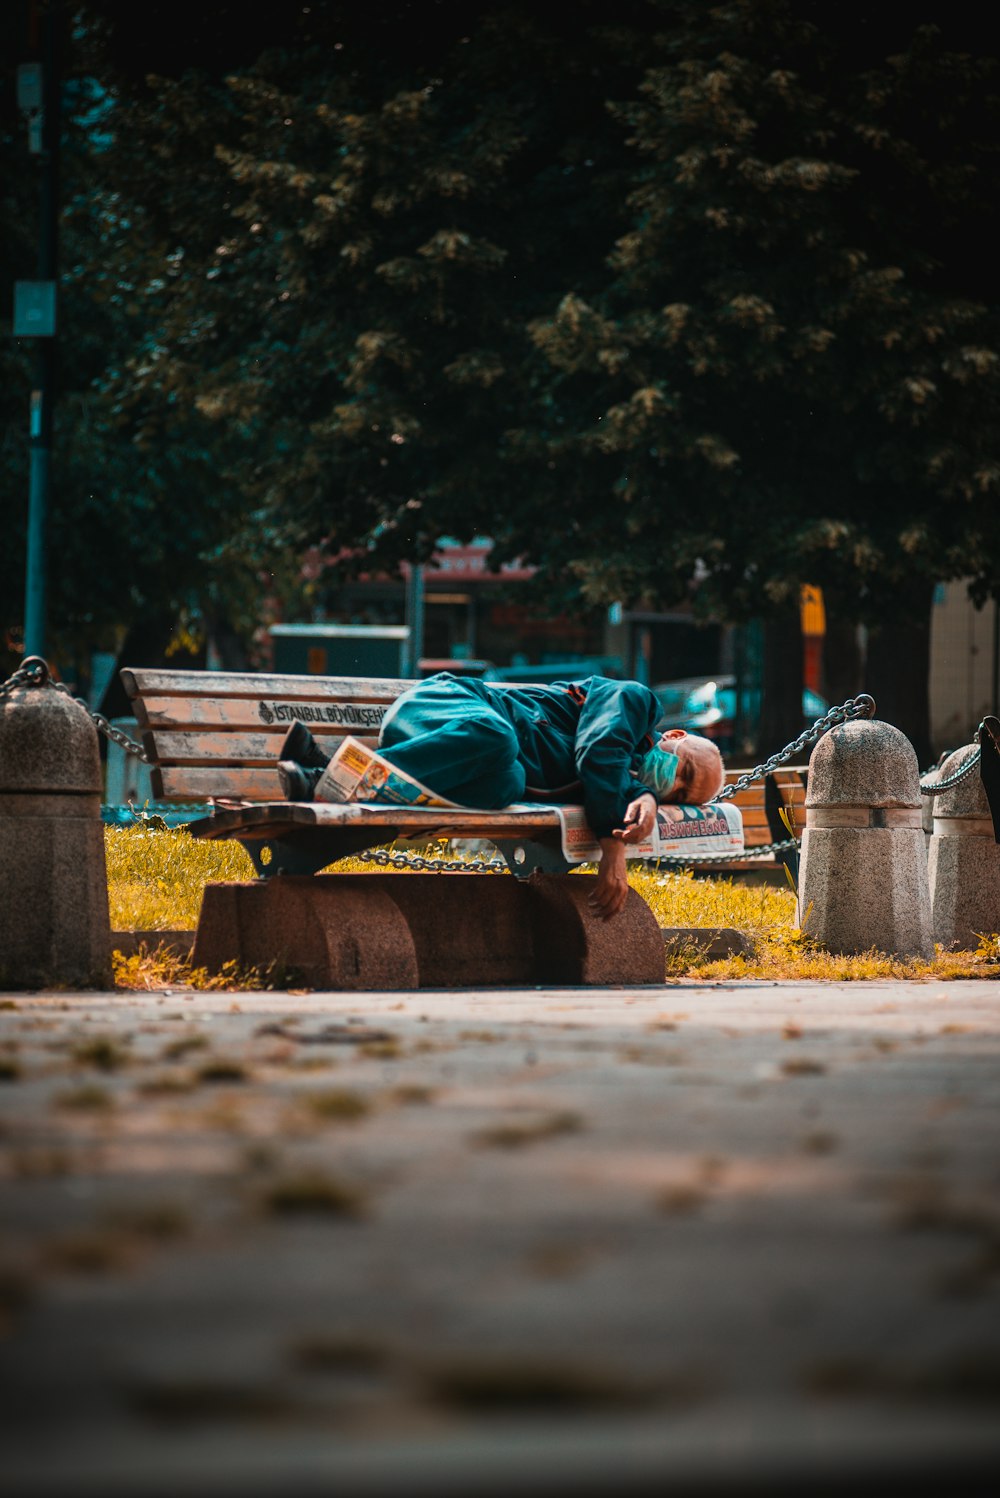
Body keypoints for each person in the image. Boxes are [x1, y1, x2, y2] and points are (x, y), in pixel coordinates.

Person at [277, 672, 725, 919]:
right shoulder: (634, 700)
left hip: (473, 755)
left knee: (506, 782)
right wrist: (613, 844)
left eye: (682, 794)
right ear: (675, 736)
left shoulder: (627, 783)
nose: (676, 787)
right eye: (683, 769)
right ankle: (326, 768)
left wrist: (644, 798)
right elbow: (599, 750)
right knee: (498, 738)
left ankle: (327, 775)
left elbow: (612, 775)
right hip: (447, 705)